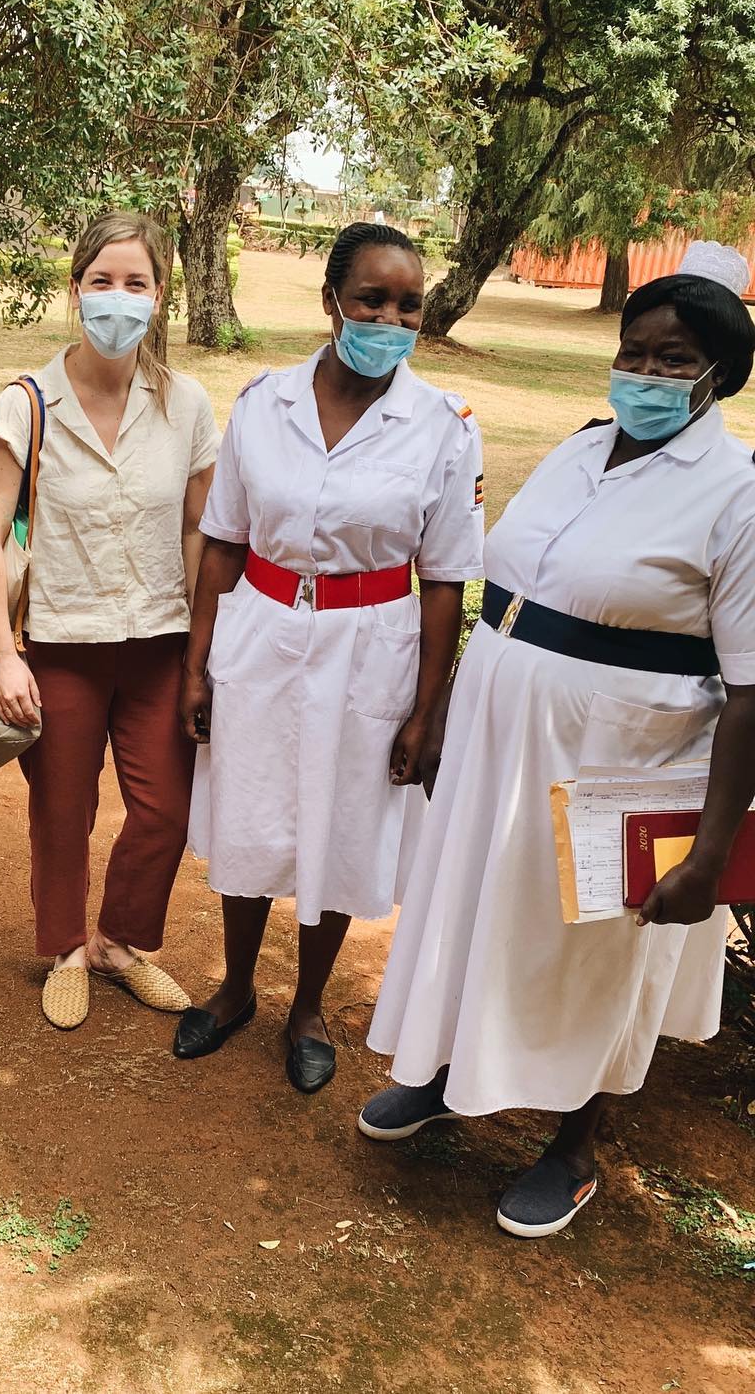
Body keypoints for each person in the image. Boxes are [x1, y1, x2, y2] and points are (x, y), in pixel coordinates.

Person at [359, 242, 755, 1238]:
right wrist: (447, 705)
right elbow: (514, 597)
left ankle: (577, 1140)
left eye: (673, 361)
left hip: (630, 760)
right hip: (505, 743)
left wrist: (711, 851)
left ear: (717, 375)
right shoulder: (583, 445)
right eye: (635, 353)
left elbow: (751, 687)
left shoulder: (738, 491)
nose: (646, 374)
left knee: (599, 952)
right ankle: (451, 1073)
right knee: (485, 910)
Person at [176, 222, 483, 1093]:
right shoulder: (263, 402)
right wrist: (196, 664)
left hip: (372, 646)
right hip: (263, 629)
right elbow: (224, 542)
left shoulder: (443, 427)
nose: (390, 317)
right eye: (372, 299)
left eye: (408, 304)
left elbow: (446, 581)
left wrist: (428, 709)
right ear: (331, 302)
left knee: (344, 821)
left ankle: (306, 1005)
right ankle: (236, 987)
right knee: (252, 812)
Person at [0, 210, 218, 1031]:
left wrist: (200, 654)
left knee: (164, 810)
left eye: (135, 283)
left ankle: (119, 940)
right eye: (102, 281)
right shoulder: (28, 403)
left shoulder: (185, 404)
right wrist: (4, 656)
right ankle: (69, 947)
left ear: (158, 296)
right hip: (60, 645)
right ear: (75, 291)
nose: (118, 297)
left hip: (158, 642)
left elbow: (197, 526)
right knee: (62, 808)